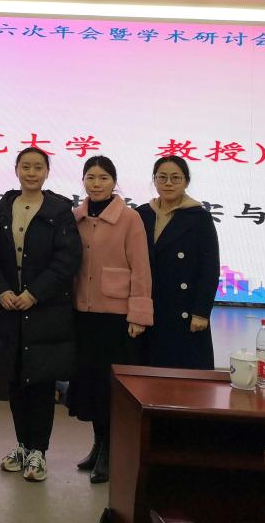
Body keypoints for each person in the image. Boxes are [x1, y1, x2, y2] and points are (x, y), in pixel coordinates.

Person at [0, 147, 81, 482]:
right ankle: (22, 445)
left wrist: (34, 293)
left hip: (46, 310)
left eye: (38, 167)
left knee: (40, 383)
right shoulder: (2, 209)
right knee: (15, 380)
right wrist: (1, 291)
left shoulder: (59, 210)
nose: (32, 173)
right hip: (9, 308)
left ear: (47, 172)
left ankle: (39, 450)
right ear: (17, 170)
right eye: (26, 167)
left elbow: (67, 260)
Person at [66, 156, 152, 484]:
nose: (96, 183)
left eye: (103, 177)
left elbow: (141, 268)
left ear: (114, 182)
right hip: (83, 313)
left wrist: (139, 314)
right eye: (91, 177)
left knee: (110, 389)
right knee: (90, 385)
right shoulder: (76, 217)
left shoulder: (130, 218)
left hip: (116, 317)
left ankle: (111, 451)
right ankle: (98, 444)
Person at [136, 155, 220, 370]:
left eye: (175, 178)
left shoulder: (199, 217)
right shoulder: (141, 214)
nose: (168, 183)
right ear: (154, 180)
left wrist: (201, 312)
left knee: (184, 376)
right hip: (150, 307)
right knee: (147, 374)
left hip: (185, 310)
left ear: (186, 181)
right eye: (162, 177)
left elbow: (209, 268)